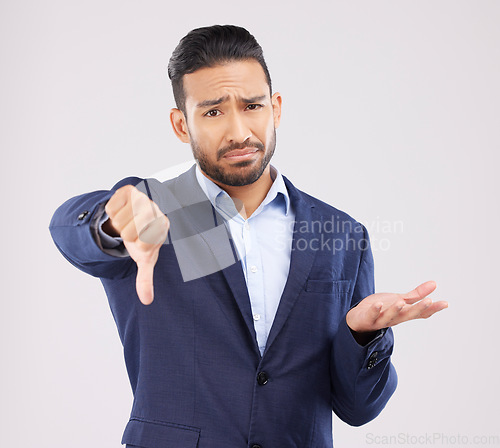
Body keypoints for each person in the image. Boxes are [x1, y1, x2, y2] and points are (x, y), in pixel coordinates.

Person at [49, 25, 448, 448]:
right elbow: (69, 231)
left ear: (275, 108)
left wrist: (362, 335)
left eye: (252, 105)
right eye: (213, 112)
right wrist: (109, 226)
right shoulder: (157, 211)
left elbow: (358, 408)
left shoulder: (340, 234)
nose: (239, 132)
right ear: (181, 124)